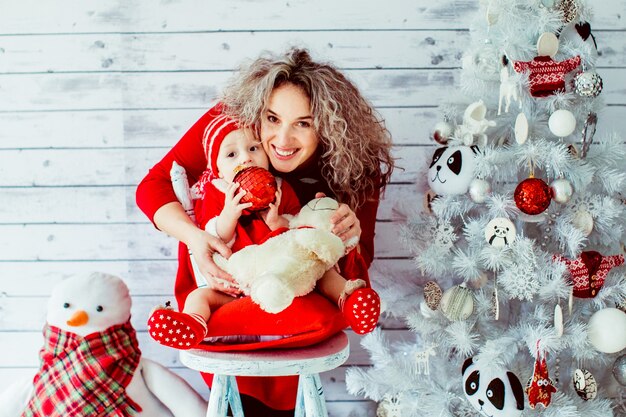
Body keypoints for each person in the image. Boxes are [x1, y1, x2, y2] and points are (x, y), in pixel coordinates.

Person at [136, 47, 394, 416]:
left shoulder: (355, 166)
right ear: (257, 110)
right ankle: (195, 325)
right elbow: (154, 185)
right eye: (272, 119)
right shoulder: (230, 126)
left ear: (330, 126)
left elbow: (362, 257)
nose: (282, 139)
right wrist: (196, 238)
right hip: (228, 287)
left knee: (314, 304)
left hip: (298, 292)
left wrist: (347, 236)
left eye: (303, 123)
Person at [147, 106, 377, 350]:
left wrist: (278, 222)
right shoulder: (218, 192)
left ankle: (349, 299)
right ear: (217, 168)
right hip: (236, 282)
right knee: (198, 297)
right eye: (231, 155)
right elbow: (215, 237)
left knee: (322, 271)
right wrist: (229, 215)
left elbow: (297, 227)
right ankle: (192, 324)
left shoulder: (280, 186)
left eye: (253, 149)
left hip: (282, 273)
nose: (245, 158)